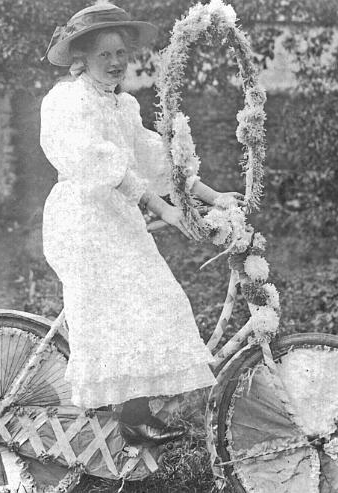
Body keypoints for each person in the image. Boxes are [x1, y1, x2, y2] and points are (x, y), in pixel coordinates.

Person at [40, 3, 243, 446]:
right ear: (82, 58)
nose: (115, 63)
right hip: (82, 219)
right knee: (119, 305)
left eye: (120, 54)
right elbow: (101, 166)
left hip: (117, 217)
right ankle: (124, 415)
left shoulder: (123, 106)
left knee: (156, 298)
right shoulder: (67, 101)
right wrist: (160, 207)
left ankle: (133, 415)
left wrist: (212, 196)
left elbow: (153, 159)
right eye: (103, 55)